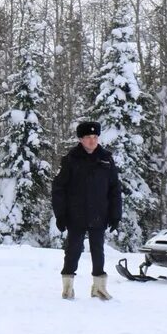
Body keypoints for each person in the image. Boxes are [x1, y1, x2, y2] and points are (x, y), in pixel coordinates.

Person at [52, 120, 122, 300]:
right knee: (73, 250)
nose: (92, 141)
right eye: (88, 138)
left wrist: (115, 215)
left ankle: (99, 287)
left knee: (98, 249)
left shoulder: (106, 158)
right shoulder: (71, 159)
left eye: (95, 137)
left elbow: (114, 188)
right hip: (76, 215)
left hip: (99, 213)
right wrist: (60, 215)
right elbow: (59, 189)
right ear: (81, 140)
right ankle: (68, 287)